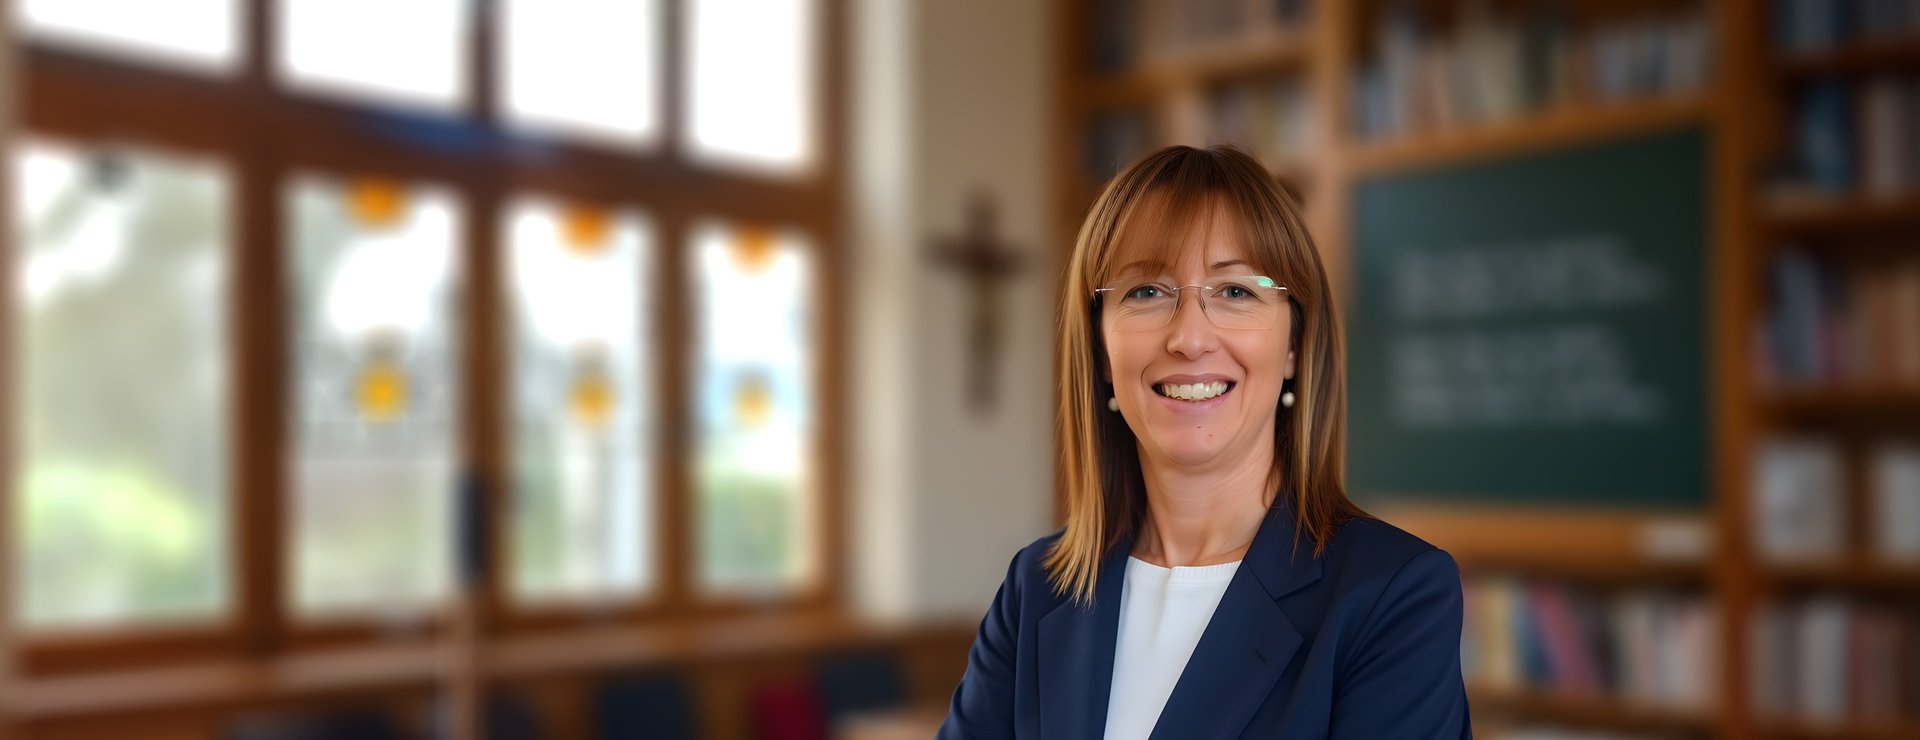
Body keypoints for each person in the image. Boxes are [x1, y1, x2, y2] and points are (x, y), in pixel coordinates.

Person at [935, 145, 1471, 739]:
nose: (1190, 338)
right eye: (1146, 292)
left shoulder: (1392, 595)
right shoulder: (1037, 587)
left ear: (1293, 345)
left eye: (1236, 292)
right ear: (1101, 352)